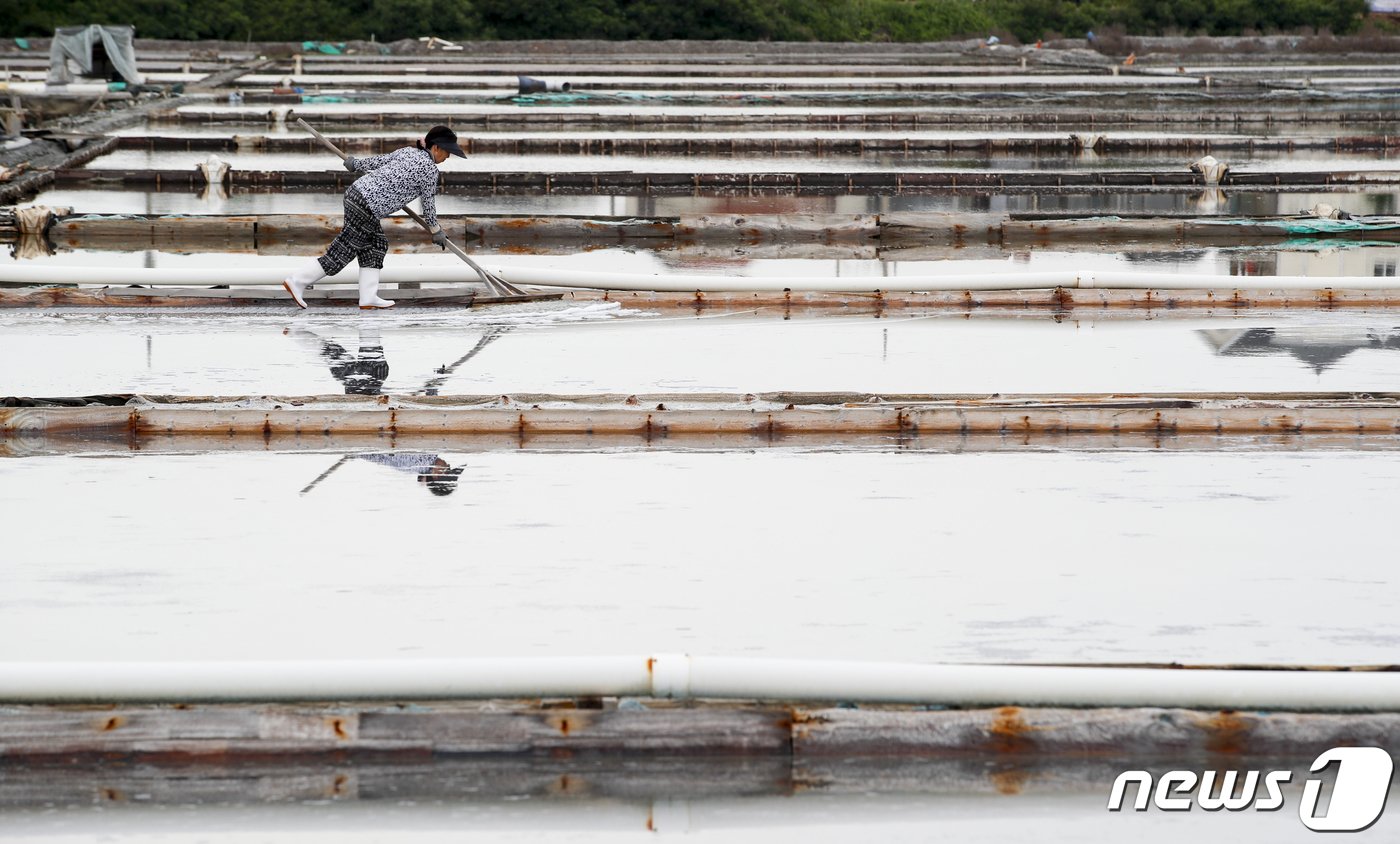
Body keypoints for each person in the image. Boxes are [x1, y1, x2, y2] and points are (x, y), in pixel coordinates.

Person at [283, 125, 466, 310]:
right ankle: (297, 281)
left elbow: (379, 161)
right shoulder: (430, 171)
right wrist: (436, 231)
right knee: (342, 252)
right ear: (436, 148)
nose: (449, 157)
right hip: (367, 207)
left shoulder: (408, 152)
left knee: (376, 246)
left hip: (356, 194)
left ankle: (368, 297)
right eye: (448, 152)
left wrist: (357, 164)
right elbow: (428, 205)